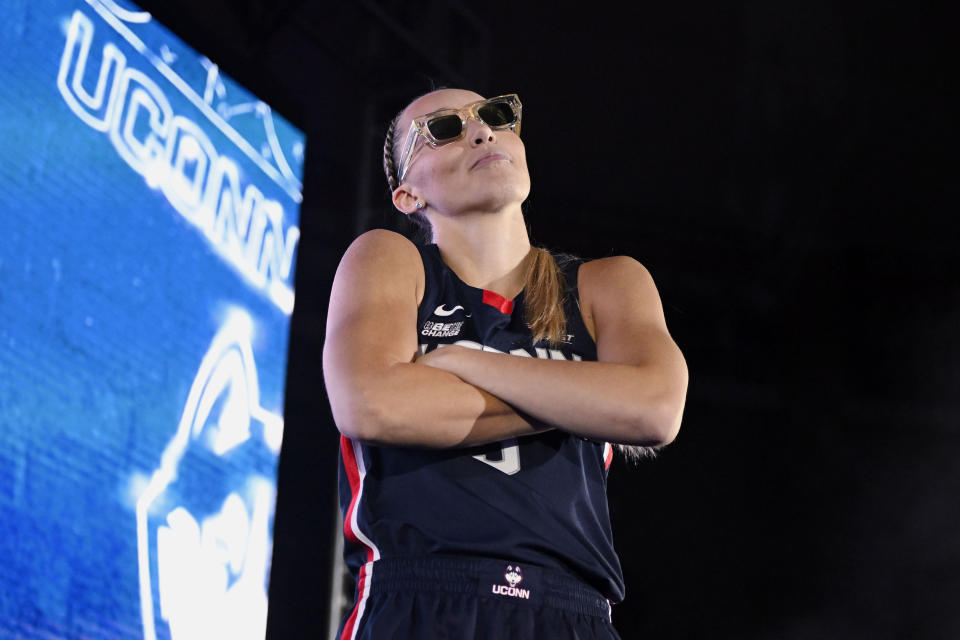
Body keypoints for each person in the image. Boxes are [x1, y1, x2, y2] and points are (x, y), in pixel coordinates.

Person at [323, 88, 688, 640]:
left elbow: (655, 408)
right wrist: (588, 399)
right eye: (443, 128)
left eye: (494, 115)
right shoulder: (387, 258)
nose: (481, 131)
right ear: (407, 195)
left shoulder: (608, 283)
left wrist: (467, 363)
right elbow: (373, 404)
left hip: (575, 612)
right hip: (421, 600)